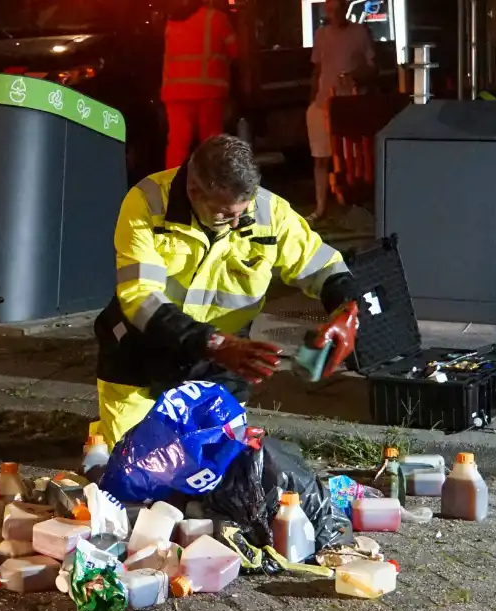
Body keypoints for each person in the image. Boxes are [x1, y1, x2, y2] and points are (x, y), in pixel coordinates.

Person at [91, 134, 361, 445]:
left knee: (219, 469)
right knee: (132, 466)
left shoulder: (268, 211)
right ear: (194, 191)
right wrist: (214, 344)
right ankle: (101, 444)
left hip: (224, 356)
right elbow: (140, 298)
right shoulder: (147, 203)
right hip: (142, 350)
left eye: (242, 212)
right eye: (225, 213)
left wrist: (346, 309)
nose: (236, 223)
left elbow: (326, 267)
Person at [306, 0, 376, 223]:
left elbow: (372, 66)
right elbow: (317, 69)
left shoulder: (359, 32)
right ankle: (320, 208)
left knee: (350, 158)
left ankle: (351, 204)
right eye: (329, 10)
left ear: (345, 8)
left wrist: (356, 74)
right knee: (320, 157)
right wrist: (311, 101)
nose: (333, 14)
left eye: (337, 9)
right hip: (323, 103)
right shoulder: (321, 34)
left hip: (347, 104)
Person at [161, 0, 238, 169]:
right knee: (211, 144)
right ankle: (213, 185)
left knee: (177, 145)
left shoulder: (171, 21)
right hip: (209, 91)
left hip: (176, 92)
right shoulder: (217, 19)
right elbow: (236, 51)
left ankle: (172, 186)